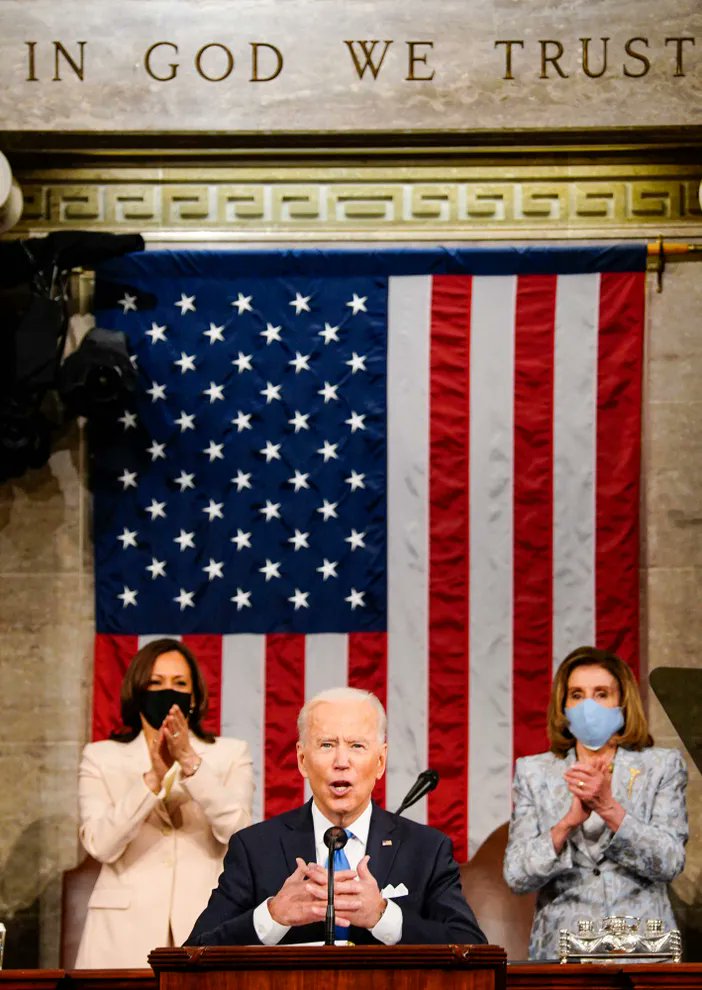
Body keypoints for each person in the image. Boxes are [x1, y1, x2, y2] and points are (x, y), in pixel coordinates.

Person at [186, 686, 486, 946]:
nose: (341, 761)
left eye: (357, 746)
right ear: (303, 760)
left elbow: (470, 947)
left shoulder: (425, 849)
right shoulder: (255, 848)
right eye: (327, 745)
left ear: (380, 761)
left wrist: (383, 916)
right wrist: (273, 915)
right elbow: (194, 952)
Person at [75, 638, 254, 968]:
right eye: (155, 683)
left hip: (205, 925)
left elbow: (240, 833)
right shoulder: (101, 757)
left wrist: (190, 762)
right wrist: (152, 780)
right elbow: (101, 845)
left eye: (179, 684)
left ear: (195, 695)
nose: (167, 692)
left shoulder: (231, 755)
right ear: (137, 690)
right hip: (121, 937)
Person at [503, 645, 688, 960]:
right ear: (563, 705)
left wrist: (610, 810)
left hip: (645, 953)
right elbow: (517, 875)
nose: (588, 706)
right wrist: (567, 824)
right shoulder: (534, 772)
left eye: (601, 694)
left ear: (622, 702)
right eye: (577, 695)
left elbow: (670, 861)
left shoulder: (662, 767)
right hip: (562, 953)